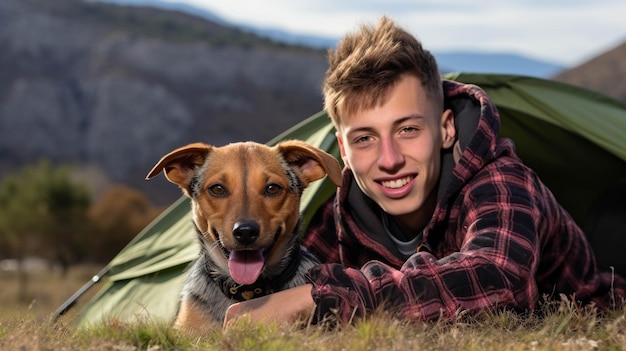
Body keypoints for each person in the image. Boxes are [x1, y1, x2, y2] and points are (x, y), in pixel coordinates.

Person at [224, 16, 626, 326]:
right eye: (364, 138)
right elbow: (289, 283)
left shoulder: (502, 181)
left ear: (446, 129)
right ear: (343, 149)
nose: (389, 159)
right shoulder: (343, 215)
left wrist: (325, 298)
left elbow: (499, 279)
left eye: (408, 129)